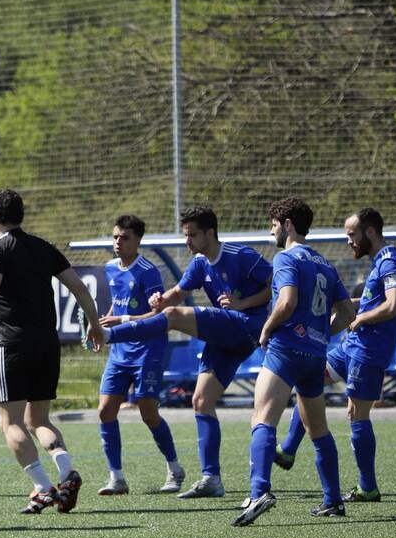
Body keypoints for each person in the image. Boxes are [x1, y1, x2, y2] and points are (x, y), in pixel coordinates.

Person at [0, 189, 103, 514]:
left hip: (14, 345)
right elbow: (80, 288)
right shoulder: (43, 246)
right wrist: (94, 324)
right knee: (38, 418)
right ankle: (67, 472)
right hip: (47, 343)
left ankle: (43, 488)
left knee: (10, 420)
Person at [99, 206, 272, 499]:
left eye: (192, 235)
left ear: (210, 233)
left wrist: (244, 304)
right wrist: (160, 299)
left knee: (174, 316)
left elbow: (274, 285)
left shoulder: (241, 255)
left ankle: (108, 335)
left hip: (246, 326)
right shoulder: (199, 263)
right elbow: (176, 294)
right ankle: (211, 478)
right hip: (226, 337)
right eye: (185, 235)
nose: (187, 242)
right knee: (201, 401)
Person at [232, 197, 355, 526]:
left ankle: (259, 491)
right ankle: (332, 500)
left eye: (273, 224)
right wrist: (320, 334)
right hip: (315, 356)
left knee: (263, 418)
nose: (271, 230)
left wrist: (267, 328)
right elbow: (347, 313)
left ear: (287, 224)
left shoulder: (286, 257)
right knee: (319, 431)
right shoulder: (326, 264)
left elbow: (287, 301)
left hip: (285, 350)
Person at [275, 208, 396, 503]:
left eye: (352, 234)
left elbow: (394, 305)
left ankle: (368, 487)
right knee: (311, 381)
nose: (349, 241)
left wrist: (360, 319)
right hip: (352, 346)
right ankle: (287, 449)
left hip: (369, 351)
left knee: (356, 413)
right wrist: (347, 305)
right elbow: (376, 300)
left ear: (369, 233)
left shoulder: (390, 262)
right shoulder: (379, 263)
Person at [94, 215, 185, 496]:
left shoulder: (148, 271)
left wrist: (121, 320)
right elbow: (115, 307)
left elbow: (157, 315)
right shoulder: (110, 268)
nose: (118, 243)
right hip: (120, 352)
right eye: (115, 237)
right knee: (105, 410)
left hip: (147, 348)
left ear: (138, 241)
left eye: (125, 238)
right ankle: (117, 478)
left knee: (148, 411)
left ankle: (174, 468)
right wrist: (101, 322)